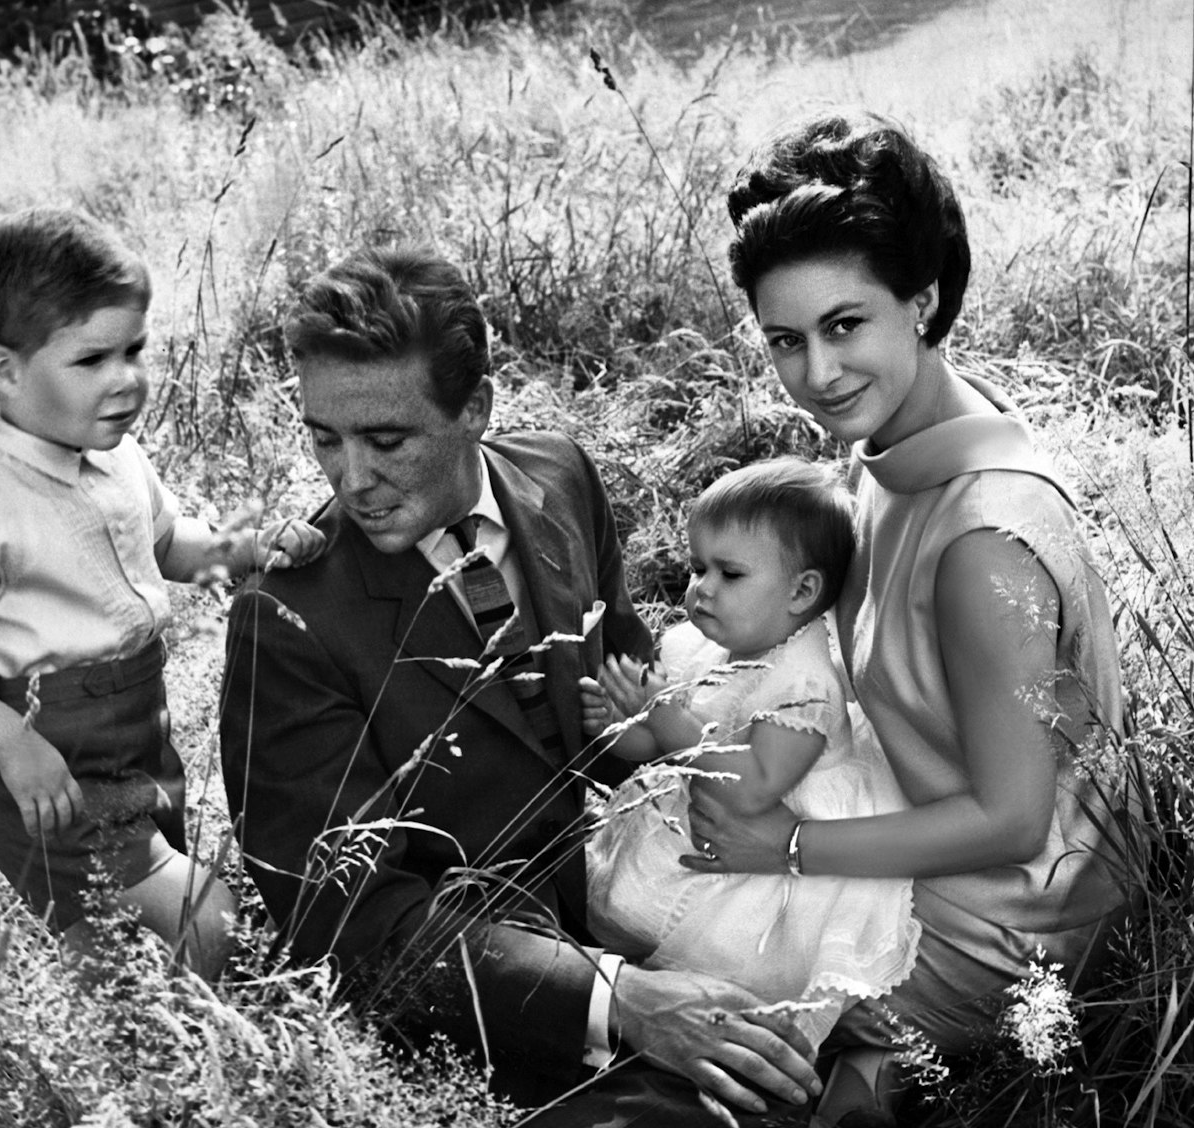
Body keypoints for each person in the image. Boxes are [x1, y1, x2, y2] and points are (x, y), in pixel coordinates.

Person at [217, 246, 823, 1123]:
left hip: (662, 898)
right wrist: (623, 1002)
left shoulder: (559, 474)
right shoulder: (288, 621)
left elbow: (631, 702)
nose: (351, 479)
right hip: (493, 1017)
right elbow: (350, 927)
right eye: (324, 438)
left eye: (387, 440)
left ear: (477, 410)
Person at [690, 108, 1133, 1123]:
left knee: (701, 976)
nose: (818, 376)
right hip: (952, 830)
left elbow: (1014, 819)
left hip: (1013, 921)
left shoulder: (980, 539)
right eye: (785, 341)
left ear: (923, 301)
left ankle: (888, 1069)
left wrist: (785, 850)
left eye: (846, 326)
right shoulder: (903, 433)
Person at [0, 206, 324, 980]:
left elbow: (169, 546)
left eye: (135, 350)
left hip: (137, 729)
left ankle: (127, 1027)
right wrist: (14, 745)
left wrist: (247, 551)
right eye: (92, 360)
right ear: (6, 372)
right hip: (53, 753)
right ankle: (136, 1029)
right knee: (207, 923)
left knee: (128, 934)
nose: (127, 379)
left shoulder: (117, 461)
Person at [580, 459, 919, 1058]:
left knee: (719, 956)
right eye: (696, 568)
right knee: (624, 909)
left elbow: (757, 785)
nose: (701, 588)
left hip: (757, 861)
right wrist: (620, 724)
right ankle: (636, 999)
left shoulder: (805, 683)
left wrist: (663, 714)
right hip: (703, 816)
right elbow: (657, 749)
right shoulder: (707, 646)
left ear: (802, 591)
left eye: (729, 573)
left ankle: (712, 1014)